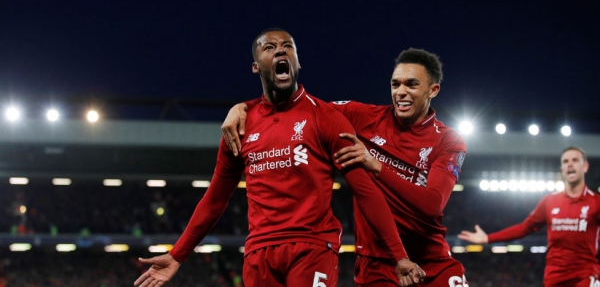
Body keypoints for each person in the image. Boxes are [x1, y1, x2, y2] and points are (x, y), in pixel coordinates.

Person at [134, 28, 425, 287]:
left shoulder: (326, 118)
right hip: (259, 254)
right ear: (255, 66)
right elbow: (215, 198)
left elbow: (365, 191)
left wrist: (399, 256)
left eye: (288, 46)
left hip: (312, 248)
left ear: (297, 62)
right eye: (269, 47)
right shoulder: (240, 126)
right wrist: (178, 254)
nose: (280, 50)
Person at [223, 48, 469, 286]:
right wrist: (246, 107)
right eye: (396, 84)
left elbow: (432, 204)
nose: (401, 92)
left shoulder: (448, 140)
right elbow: (301, 106)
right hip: (377, 263)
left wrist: (376, 165)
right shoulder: (360, 116)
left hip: (433, 259)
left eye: (411, 84)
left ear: (433, 90)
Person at [459, 146, 600, 286]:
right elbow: (524, 228)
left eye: (575, 160)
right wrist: (488, 238)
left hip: (585, 275)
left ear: (585, 167)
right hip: (554, 276)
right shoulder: (550, 201)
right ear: (562, 169)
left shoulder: (596, 202)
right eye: (565, 161)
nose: (569, 164)